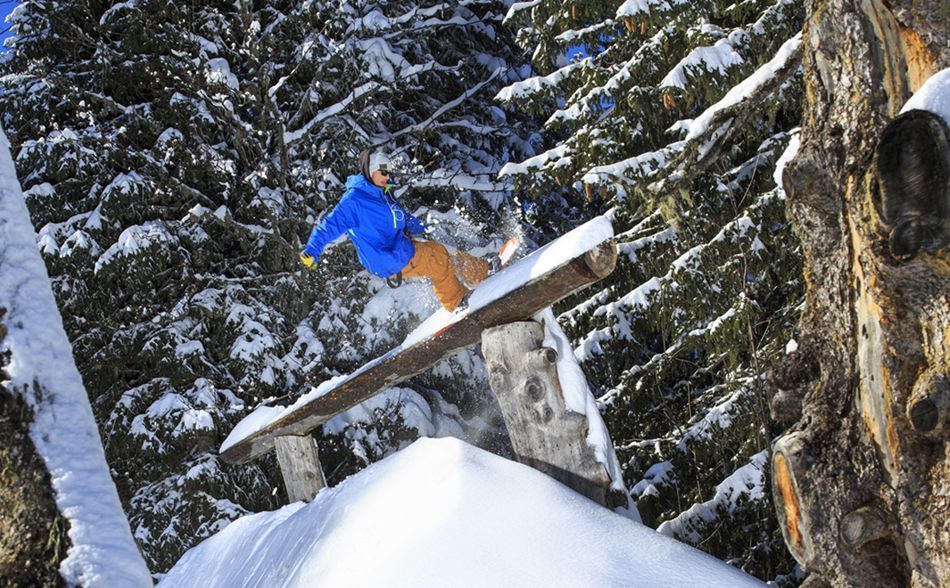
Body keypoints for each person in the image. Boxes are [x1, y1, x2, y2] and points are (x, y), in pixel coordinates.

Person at [299, 150, 490, 311]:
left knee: (441, 250)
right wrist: (312, 250)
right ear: (371, 171)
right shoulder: (354, 201)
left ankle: (481, 273)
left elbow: (401, 218)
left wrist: (422, 228)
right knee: (437, 258)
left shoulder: (382, 194)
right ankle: (457, 303)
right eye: (383, 172)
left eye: (389, 173)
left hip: (399, 247)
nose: (387, 177)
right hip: (386, 257)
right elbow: (329, 226)